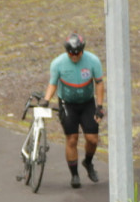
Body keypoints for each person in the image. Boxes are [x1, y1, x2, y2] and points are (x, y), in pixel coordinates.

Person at [42, 33, 106, 189]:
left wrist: (99, 106)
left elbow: (99, 83)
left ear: (82, 50)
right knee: (72, 139)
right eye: (71, 53)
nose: (75, 56)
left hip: (87, 103)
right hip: (67, 103)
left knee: (92, 139)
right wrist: (46, 100)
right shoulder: (58, 63)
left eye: (77, 52)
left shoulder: (93, 61)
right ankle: (74, 175)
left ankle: (88, 162)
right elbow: (53, 83)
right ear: (67, 51)